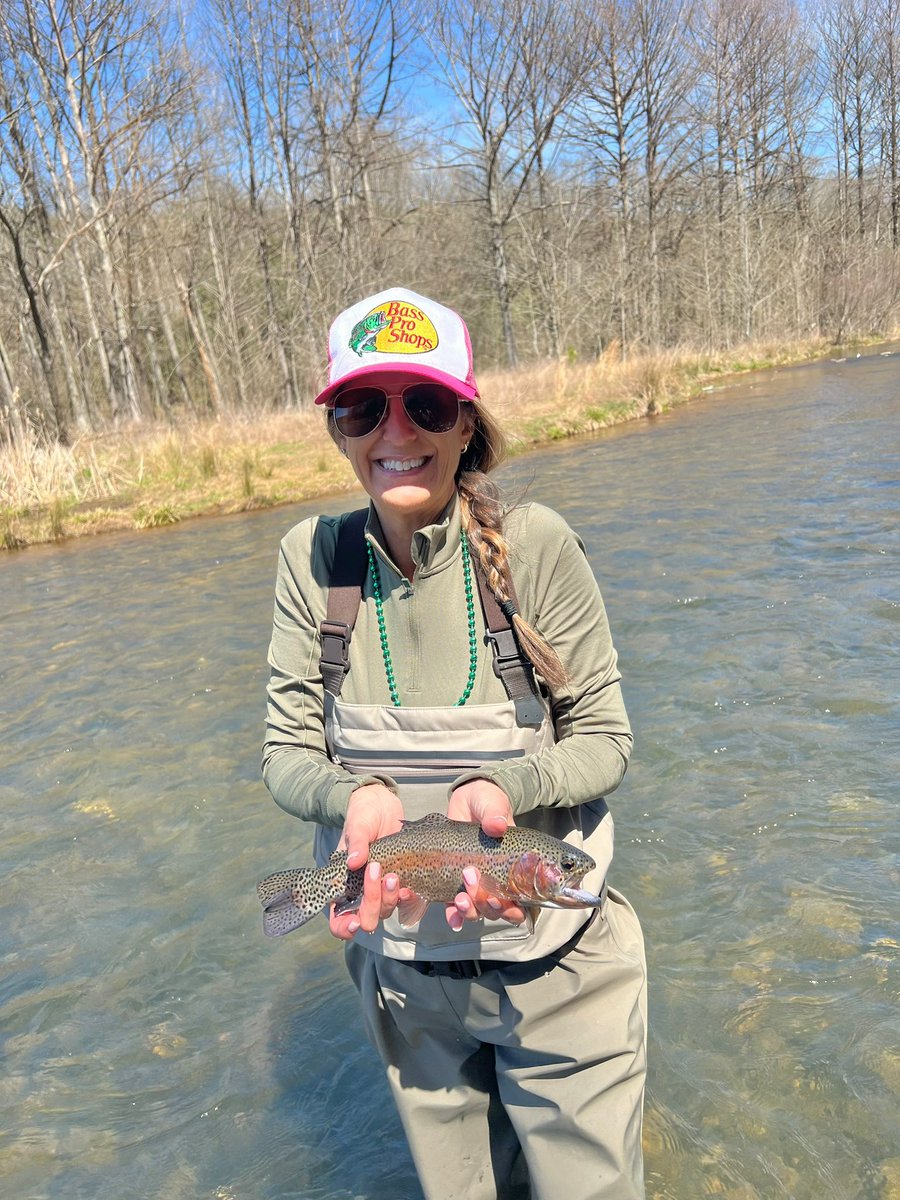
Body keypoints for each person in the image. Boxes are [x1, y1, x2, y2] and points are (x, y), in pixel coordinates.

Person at [262, 287, 647, 1200]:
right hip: (403, 981)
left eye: (426, 404)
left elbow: (608, 740)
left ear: (466, 421)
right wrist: (349, 800)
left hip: (561, 974)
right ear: (338, 430)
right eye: (366, 405)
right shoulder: (311, 560)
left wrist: (502, 785)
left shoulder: (537, 545)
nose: (396, 430)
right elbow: (285, 753)